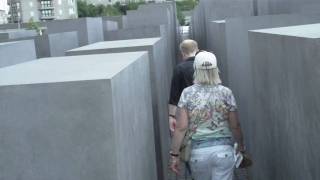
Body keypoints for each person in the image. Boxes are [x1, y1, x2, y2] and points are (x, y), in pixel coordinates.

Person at [169, 51, 245, 180]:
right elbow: (235, 125)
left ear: (195, 70)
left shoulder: (187, 93)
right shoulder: (226, 92)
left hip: (198, 153)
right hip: (224, 151)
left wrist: (174, 155)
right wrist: (241, 146)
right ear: (216, 70)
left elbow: (181, 127)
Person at [168, 39, 199, 133]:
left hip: (187, 112)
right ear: (197, 50)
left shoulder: (179, 69)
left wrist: (171, 116)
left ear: (182, 52)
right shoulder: (206, 66)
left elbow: (174, 95)